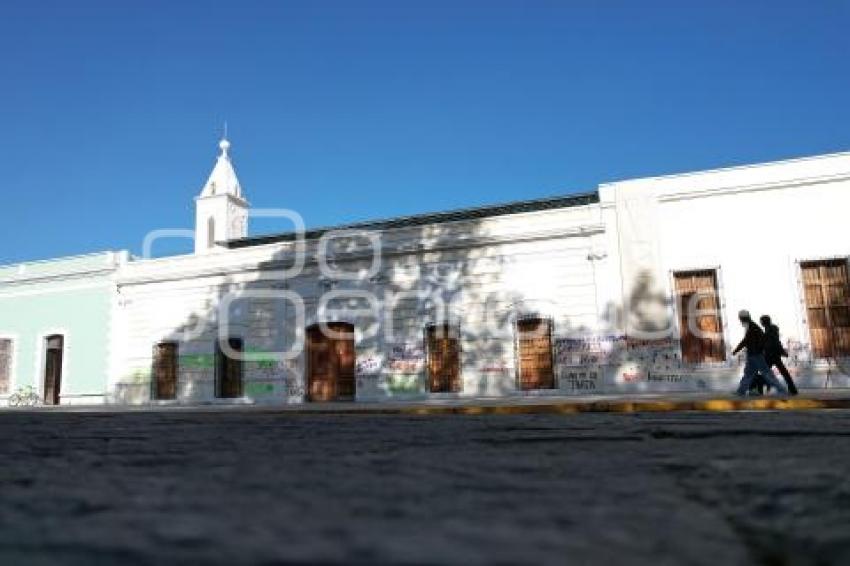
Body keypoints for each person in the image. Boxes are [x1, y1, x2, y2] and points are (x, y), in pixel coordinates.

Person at [733, 309, 788, 396]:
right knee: (749, 373)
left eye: (740, 319)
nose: (740, 321)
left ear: (744, 318)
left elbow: (746, 341)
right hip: (752, 355)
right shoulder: (750, 326)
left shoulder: (752, 327)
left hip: (756, 355)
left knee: (766, 373)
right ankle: (741, 391)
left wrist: (736, 350)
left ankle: (781, 390)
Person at [760, 314, 799, 395]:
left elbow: (775, 342)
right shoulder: (769, 329)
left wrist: (782, 351)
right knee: (781, 372)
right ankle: (792, 389)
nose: (761, 323)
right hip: (771, 354)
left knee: (767, 372)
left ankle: (764, 387)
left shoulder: (771, 329)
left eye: (762, 321)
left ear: (765, 322)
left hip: (771, 354)